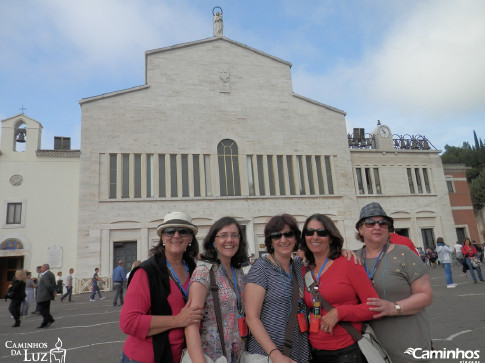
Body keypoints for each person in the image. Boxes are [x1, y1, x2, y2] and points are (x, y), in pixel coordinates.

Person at [119, 211, 204, 363]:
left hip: (181, 356)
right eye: (170, 231)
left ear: (190, 238)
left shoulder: (195, 269)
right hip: (144, 358)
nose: (176, 235)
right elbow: (129, 322)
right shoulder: (146, 272)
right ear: (162, 237)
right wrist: (177, 320)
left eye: (183, 231)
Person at [355, 203, 433, 363]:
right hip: (369, 346)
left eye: (383, 223)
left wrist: (394, 307)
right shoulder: (352, 259)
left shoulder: (405, 254)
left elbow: (425, 295)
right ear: (360, 229)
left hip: (408, 343)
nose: (377, 226)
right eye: (370, 222)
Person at [300, 214, 378, 363]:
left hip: (346, 351)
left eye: (321, 232)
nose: (314, 237)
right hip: (314, 351)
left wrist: (340, 312)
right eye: (309, 232)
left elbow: (373, 307)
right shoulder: (305, 270)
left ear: (331, 237)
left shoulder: (348, 263)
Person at [245, 214, 310, 363]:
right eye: (276, 236)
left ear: (295, 238)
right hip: (268, 354)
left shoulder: (299, 267)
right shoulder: (261, 268)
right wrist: (274, 354)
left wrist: (344, 252)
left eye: (288, 234)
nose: (283, 240)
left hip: (298, 351)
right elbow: (252, 317)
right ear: (270, 241)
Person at [185, 217, 248, 363]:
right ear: (213, 241)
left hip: (238, 354)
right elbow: (191, 323)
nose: (230, 240)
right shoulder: (204, 271)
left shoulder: (238, 273)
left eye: (234, 235)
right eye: (223, 235)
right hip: (212, 356)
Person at [36, 264, 56, 328]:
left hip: (44, 294)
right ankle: (44, 323)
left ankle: (50, 319)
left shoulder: (46, 275)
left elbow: (48, 284)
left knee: (41, 309)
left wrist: (52, 291)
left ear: (45, 268)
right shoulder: (51, 274)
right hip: (47, 294)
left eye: (41, 267)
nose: (40, 269)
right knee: (46, 309)